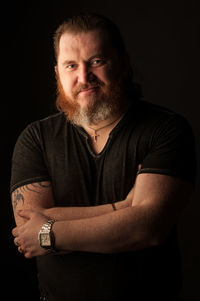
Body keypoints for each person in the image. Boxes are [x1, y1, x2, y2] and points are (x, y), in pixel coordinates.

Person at [11, 13, 196, 301]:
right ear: (58, 73)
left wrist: (49, 233)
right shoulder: (35, 138)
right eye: (71, 65)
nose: (84, 77)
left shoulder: (165, 129)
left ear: (123, 62)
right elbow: (27, 230)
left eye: (97, 61)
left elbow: (148, 228)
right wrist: (124, 208)